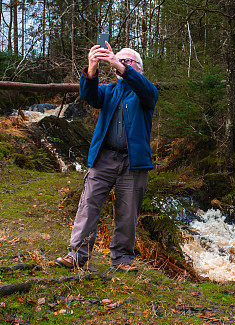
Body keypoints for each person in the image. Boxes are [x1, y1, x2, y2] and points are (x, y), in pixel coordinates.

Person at [55, 42, 158, 270]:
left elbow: (148, 93)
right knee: (89, 204)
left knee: (128, 211)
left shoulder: (146, 91)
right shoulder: (109, 91)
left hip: (134, 162)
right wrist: (92, 68)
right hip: (103, 158)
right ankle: (77, 255)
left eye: (127, 61)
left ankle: (122, 259)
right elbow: (89, 96)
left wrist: (117, 64)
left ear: (138, 68)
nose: (121, 63)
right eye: (118, 59)